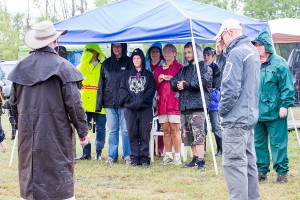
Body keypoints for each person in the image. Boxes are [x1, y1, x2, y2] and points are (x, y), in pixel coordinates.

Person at [8, 20, 89, 200]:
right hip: (56, 136)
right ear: (54, 42)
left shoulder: (21, 68)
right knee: (59, 187)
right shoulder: (64, 67)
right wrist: (82, 131)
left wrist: (24, 126)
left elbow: (13, 105)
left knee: (31, 184)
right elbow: (75, 104)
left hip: (28, 137)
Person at [215, 18, 260, 199]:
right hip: (248, 116)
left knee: (234, 165)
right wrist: (220, 55)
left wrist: (222, 111)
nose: (221, 41)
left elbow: (229, 87)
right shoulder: (251, 51)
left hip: (235, 119)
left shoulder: (236, 53)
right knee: (249, 163)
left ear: (229, 32)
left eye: (222, 37)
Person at [252, 29, 295, 183]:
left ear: (268, 46)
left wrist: (284, 105)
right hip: (257, 112)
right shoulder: (253, 63)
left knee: (278, 143)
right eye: (255, 45)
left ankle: (281, 172)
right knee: (258, 143)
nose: (257, 47)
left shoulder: (279, 63)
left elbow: (287, 86)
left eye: (260, 45)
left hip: (275, 112)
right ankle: (261, 171)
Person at [170, 42, 212, 171]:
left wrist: (186, 85)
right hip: (185, 106)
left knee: (199, 135)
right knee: (189, 136)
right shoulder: (184, 69)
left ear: (196, 52)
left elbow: (202, 82)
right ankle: (194, 157)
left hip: (198, 106)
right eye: (186, 52)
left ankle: (201, 160)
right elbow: (173, 81)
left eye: (190, 52)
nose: (187, 55)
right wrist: (178, 84)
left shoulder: (204, 67)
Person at [96, 43, 131, 165]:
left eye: (119, 46)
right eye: (114, 46)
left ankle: (127, 155)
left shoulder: (129, 62)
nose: (117, 48)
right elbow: (101, 85)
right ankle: (112, 156)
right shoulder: (106, 63)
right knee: (112, 130)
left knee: (126, 130)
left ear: (123, 47)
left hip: (125, 102)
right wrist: (98, 105)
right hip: (109, 102)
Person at [120, 48, 156, 167]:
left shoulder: (148, 75)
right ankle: (134, 157)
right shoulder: (126, 74)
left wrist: (141, 101)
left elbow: (151, 90)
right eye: (134, 58)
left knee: (144, 133)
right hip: (130, 109)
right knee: (132, 132)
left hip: (145, 109)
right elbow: (122, 90)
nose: (136, 60)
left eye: (138, 58)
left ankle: (145, 158)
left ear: (142, 59)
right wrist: (132, 102)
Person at [76, 44, 107, 160]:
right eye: (87, 50)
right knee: (83, 128)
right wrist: (86, 57)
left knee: (101, 128)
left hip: (100, 101)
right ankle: (86, 153)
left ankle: (98, 152)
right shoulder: (82, 65)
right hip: (85, 102)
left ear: (97, 51)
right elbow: (79, 73)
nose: (90, 52)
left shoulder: (103, 66)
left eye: (92, 50)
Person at [154, 44, 183, 165]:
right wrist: (159, 79)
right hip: (162, 104)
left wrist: (173, 79)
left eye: (170, 51)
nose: (167, 53)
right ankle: (168, 155)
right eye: (165, 51)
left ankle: (177, 156)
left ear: (175, 53)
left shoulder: (180, 67)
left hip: (175, 104)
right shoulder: (159, 69)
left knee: (175, 130)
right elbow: (154, 86)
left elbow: (183, 84)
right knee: (166, 130)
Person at [145, 42, 165, 157]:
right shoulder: (146, 64)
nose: (155, 54)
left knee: (161, 125)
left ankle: (161, 150)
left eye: (157, 51)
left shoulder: (164, 64)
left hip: (161, 97)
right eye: (152, 51)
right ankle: (150, 149)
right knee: (148, 125)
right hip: (148, 98)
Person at [203, 47, 223, 156]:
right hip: (202, 101)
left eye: (208, 55)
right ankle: (203, 149)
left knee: (216, 126)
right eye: (204, 55)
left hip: (213, 101)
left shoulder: (216, 68)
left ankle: (220, 148)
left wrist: (208, 86)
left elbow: (215, 84)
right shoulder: (201, 67)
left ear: (213, 56)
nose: (206, 57)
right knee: (203, 126)